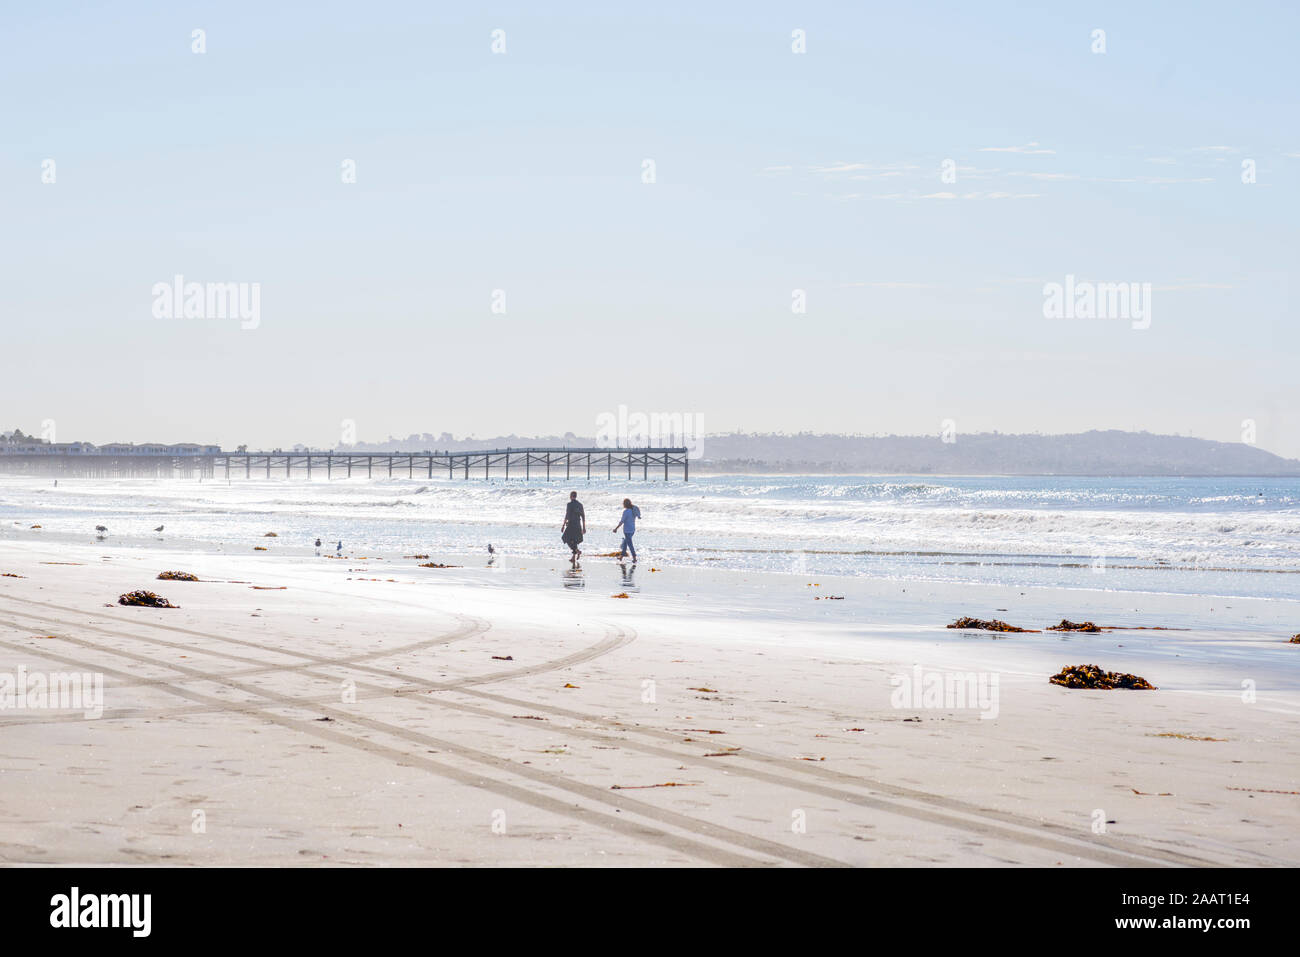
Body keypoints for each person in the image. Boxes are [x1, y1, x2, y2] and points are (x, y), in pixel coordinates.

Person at [613, 498, 641, 562]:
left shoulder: (626, 511)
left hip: (627, 530)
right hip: (632, 530)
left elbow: (622, 521)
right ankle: (621, 557)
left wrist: (616, 528)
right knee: (625, 543)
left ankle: (634, 558)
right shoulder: (633, 510)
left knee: (630, 544)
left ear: (625, 504)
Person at [561, 491, 585, 561]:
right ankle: (573, 557)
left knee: (565, 538)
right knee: (574, 541)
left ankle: (577, 551)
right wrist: (584, 527)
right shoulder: (580, 505)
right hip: (578, 525)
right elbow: (583, 516)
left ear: (571, 496)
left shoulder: (569, 504)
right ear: (576, 496)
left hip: (571, 525)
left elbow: (567, 515)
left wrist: (563, 525)